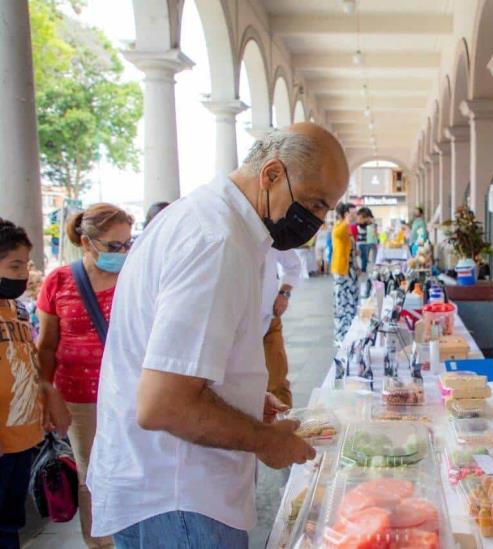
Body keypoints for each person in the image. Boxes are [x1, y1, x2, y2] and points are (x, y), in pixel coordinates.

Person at [87, 123, 349, 548]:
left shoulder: (212, 220)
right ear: (272, 175)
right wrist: (267, 442)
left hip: (166, 487)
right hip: (179, 497)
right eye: (316, 204)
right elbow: (163, 403)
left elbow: (178, 360)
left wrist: (239, 396)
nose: (317, 221)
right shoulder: (216, 240)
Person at [36, 203, 134, 549]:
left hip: (129, 394)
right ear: (86, 242)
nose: (122, 253)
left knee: (132, 470)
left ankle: (134, 536)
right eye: (114, 246)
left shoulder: (135, 278)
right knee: (92, 475)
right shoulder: (58, 281)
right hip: (78, 399)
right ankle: (101, 543)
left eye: (127, 244)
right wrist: (47, 392)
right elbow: (46, 346)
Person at [0, 219, 70, 549]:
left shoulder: (16, 311)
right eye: (14, 265)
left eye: (24, 265)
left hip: (22, 437)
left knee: (11, 520)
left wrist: (46, 398)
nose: (22, 275)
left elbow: (26, 366)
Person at [262, 249, 301, 407]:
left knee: (277, 383)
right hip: (234, 328)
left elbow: (293, 265)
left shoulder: (271, 235)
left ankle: (284, 427)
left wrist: (284, 294)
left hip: (268, 320)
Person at [332, 202, 358, 344]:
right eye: (352, 213)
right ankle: (342, 337)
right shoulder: (339, 226)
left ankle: (350, 333)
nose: (354, 216)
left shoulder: (346, 227)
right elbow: (338, 234)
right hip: (342, 272)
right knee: (343, 303)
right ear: (345, 214)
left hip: (350, 271)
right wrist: (347, 221)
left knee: (351, 302)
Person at [355, 207, 373, 272]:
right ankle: (363, 270)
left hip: (366, 242)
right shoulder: (358, 223)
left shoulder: (368, 224)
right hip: (360, 243)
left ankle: (363, 269)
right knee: (364, 257)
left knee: (364, 257)